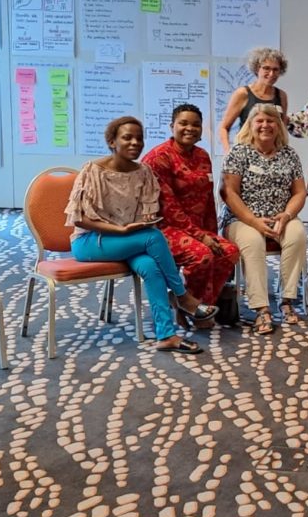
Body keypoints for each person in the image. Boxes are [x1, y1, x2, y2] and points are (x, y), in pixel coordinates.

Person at [66, 116, 216, 355]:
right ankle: (183, 296)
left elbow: (148, 213)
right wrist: (120, 230)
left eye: (139, 138)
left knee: (151, 267)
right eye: (127, 137)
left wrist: (138, 225)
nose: (135, 143)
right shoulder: (93, 170)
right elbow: (79, 219)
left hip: (127, 241)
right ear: (112, 142)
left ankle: (166, 335)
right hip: (90, 242)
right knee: (153, 238)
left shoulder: (144, 172)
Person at [142, 104, 240, 327]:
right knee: (203, 254)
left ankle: (198, 305)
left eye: (195, 124)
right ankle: (189, 305)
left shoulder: (202, 156)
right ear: (172, 126)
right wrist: (202, 237)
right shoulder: (158, 158)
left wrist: (211, 234)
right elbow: (169, 208)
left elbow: (207, 201)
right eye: (183, 123)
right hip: (161, 229)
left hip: (195, 229)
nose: (190, 128)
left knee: (228, 252)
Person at [220, 104, 308, 336]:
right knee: (253, 242)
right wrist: (254, 221)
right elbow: (228, 192)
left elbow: (300, 192)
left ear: (278, 126)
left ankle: (287, 299)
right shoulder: (239, 152)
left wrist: (287, 215)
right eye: (259, 120)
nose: (265, 125)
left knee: (298, 235)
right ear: (250, 125)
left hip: (281, 216)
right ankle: (261, 309)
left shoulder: (289, 154)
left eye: (271, 121)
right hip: (242, 219)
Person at [218, 47, 290, 151]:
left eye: (275, 69)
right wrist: (228, 152)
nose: (271, 74)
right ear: (257, 69)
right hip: (246, 154)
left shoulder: (282, 95)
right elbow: (224, 128)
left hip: (272, 155)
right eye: (266, 68)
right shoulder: (243, 94)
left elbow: (282, 130)